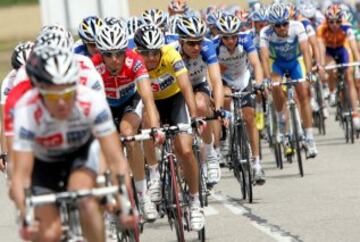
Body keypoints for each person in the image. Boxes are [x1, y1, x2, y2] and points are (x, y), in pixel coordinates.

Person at [10, 45, 136, 242]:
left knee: (84, 197)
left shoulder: (91, 101)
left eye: (68, 94)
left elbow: (116, 160)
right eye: (53, 96)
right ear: (40, 91)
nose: (61, 103)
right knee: (49, 235)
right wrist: (26, 215)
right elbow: (20, 175)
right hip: (43, 164)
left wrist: (125, 203)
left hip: (80, 155)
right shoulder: (26, 110)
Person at [134, 24, 205, 231]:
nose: (151, 58)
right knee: (147, 121)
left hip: (174, 101)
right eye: (146, 53)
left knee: (184, 149)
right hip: (150, 104)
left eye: (155, 53)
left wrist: (194, 116)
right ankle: (155, 174)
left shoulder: (171, 54)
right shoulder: (135, 61)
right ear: (138, 51)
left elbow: (185, 86)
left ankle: (194, 202)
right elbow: (143, 100)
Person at [92, 21, 161, 221]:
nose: (115, 60)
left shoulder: (135, 61)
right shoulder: (93, 65)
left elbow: (147, 98)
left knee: (128, 135)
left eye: (119, 53)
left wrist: (155, 128)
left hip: (130, 102)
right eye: (108, 55)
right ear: (100, 54)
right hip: (104, 105)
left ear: (126, 51)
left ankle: (143, 196)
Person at [260, 3, 318, 158]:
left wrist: (310, 72)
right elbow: (264, 58)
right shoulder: (265, 33)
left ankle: (309, 137)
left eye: (284, 23)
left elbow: (306, 51)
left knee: (304, 93)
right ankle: (280, 118)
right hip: (276, 63)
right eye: (277, 26)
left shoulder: (297, 26)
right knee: (276, 86)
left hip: (295, 62)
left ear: (289, 21)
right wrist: (266, 78)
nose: (282, 28)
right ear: (272, 25)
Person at [214, 13, 266, 184]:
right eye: (227, 37)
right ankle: (227, 136)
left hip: (243, 79)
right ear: (221, 36)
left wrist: (258, 83)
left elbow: (256, 63)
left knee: (250, 116)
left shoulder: (245, 40)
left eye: (234, 36)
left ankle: (256, 162)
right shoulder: (214, 45)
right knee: (227, 99)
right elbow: (211, 73)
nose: (231, 41)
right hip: (225, 81)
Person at [175, 15, 225, 186]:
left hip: (198, 84)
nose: (197, 47)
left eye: (199, 42)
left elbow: (216, 80)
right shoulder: (171, 50)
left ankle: (210, 154)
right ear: (181, 42)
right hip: (176, 89)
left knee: (202, 106)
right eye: (191, 43)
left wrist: (218, 108)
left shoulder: (208, 47)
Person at [317, 4, 360, 130]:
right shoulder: (322, 28)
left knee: (349, 78)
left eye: (338, 21)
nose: (335, 24)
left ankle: (355, 114)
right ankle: (332, 91)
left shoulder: (347, 26)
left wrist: (358, 62)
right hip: (329, 51)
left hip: (342, 50)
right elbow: (320, 49)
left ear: (342, 20)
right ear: (327, 20)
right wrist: (321, 65)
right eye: (331, 22)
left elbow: (353, 47)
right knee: (332, 69)